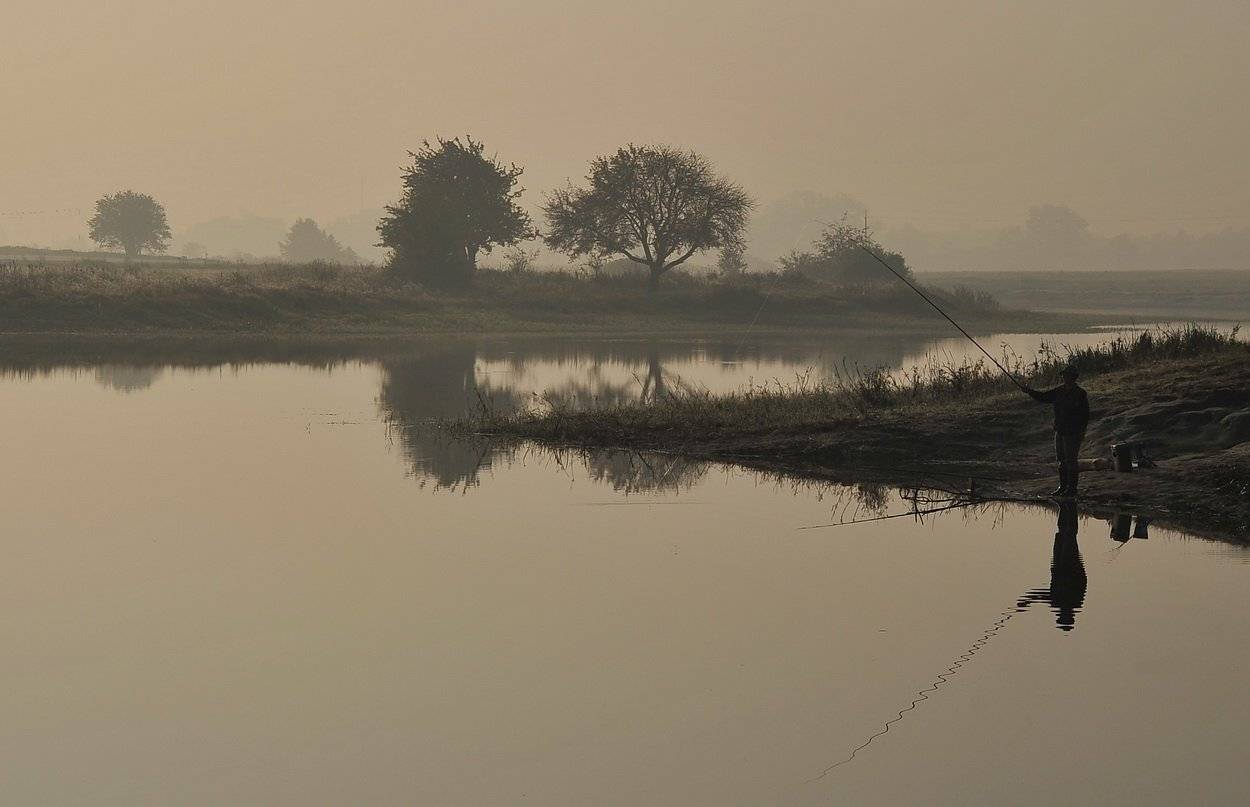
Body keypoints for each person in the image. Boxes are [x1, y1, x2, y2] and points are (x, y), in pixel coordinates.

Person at [1024, 365, 1090, 498]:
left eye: (1066, 375)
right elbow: (1044, 397)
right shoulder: (1059, 391)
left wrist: (1082, 431)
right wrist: (1029, 392)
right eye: (1063, 375)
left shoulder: (1080, 393)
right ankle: (1062, 487)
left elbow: (1085, 415)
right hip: (1060, 430)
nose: (1064, 377)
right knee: (1061, 460)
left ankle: (1072, 489)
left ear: (1073, 377)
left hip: (1073, 432)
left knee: (1071, 460)